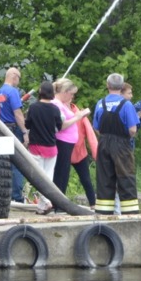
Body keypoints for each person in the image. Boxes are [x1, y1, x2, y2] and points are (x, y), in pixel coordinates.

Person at [92, 73, 141, 216]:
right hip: (121, 144)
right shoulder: (126, 105)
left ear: (108, 86)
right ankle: (130, 214)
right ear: (121, 86)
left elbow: (96, 127)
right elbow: (132, 129)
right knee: (126, 177)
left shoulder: (100, 103)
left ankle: (103, 213)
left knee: (104, 178)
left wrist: (105, 137)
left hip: (104, 143)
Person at [51, 78, 94, 209]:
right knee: (61, 174)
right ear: (65, 92)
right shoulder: (57, 104)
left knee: (66, 174)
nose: (73, 97)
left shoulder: (63, 104)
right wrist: (78, 117)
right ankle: (58, 204)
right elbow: (61, 125)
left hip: (72, 145)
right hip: (62, 142)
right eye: (71, 94)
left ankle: (61, 203)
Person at [24, 80, 62, 215]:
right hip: (51, 147)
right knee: (48, 177)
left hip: (36, 146)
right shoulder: (55, 109)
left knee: (38, 178)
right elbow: (59, 126)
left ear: (40, 92)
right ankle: (41, 207)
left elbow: (27, 125)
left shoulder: (34, 108)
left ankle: (46, 201)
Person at [0, 67, 28, 204]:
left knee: (4, 164)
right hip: (13, 129)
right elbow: (18, 114)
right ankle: (17, 196)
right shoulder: (13, 92)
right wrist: (25, 132)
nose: (18, 81)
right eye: (19, 78)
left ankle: (5, 194)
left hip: (1, 130)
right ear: (14, 76)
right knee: (18, 163)